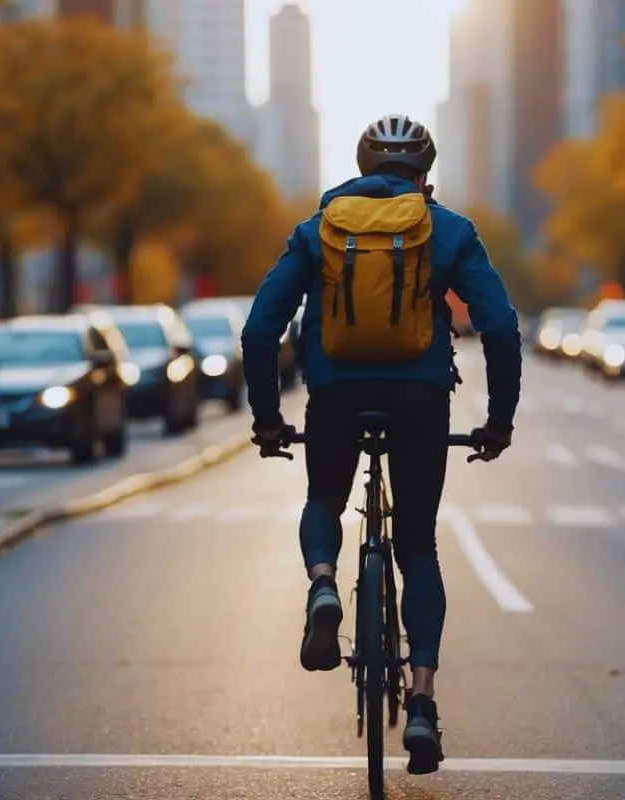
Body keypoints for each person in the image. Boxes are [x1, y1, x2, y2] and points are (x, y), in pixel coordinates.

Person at [240, 113, 522, 775]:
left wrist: (266, 419)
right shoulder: (450, 230)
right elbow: (501, 328)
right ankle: (422, 702)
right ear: (426, 175)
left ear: (362, 165)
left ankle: (321, 587)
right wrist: (499, 421)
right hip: (420, 398)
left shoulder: (318, 231)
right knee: (416, 544)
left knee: (325, 498)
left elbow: (259, 331)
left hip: (336, 392)